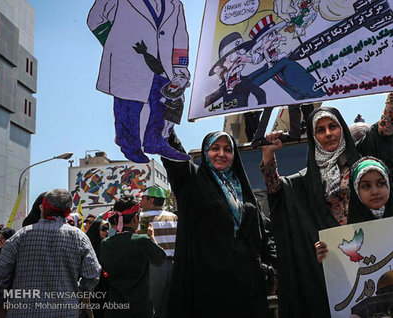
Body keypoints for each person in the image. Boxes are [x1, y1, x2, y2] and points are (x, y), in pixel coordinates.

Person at [259, 43, 393, 318]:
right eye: (320, 130)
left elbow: (386, 126)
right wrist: (269, 158)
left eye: (333, 126)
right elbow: (277, 192)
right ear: (313, 136)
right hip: (333, 264)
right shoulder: (306, 179)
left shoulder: (362, 159)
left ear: (342, 129)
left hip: (379, 252)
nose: (328, 134)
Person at [87, 0, 191, 163]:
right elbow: (95, 21)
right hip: (128, 65)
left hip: (163, 66)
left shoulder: (175, 5)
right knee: (128, 106)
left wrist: (180, 69)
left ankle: (156, 141)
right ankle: (129, 144)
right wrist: (115, 45)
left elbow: (180, 40)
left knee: (160, 104)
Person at [161, 131, 277, 318]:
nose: (221, 154)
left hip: (249, 288)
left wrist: (272, 269)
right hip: (208, 289)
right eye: (215, 148)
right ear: (205, 152)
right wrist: (166, 124)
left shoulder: (244, 191)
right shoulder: (193, 181)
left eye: (228, 149)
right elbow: (174, 156)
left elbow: (264, 233)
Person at [0, 188, 101, 316]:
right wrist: (75, 297)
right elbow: (92, 275)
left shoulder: (20, 236)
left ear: (42, 208)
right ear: (68, 211)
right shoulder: (79, 237)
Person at [315, 157, 393, 262]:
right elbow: (343, 269)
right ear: (356, 190)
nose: (375, 191)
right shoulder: (348, 234)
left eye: (381, 184)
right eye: (366, 186)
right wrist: (327, 256)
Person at [100, 195, 166, 318]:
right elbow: (160, 259)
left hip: (115, 308)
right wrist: (151, 238)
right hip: (139, 308)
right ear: (136, 218)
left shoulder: (105, 243)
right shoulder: (142, 241)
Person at [138, 185, 177, 318]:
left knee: (152, 305)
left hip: (152, 266)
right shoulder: (173, 217)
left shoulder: (141, 218)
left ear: (151, 200)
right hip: (172, 265)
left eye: (143, 198)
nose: (140, 201)